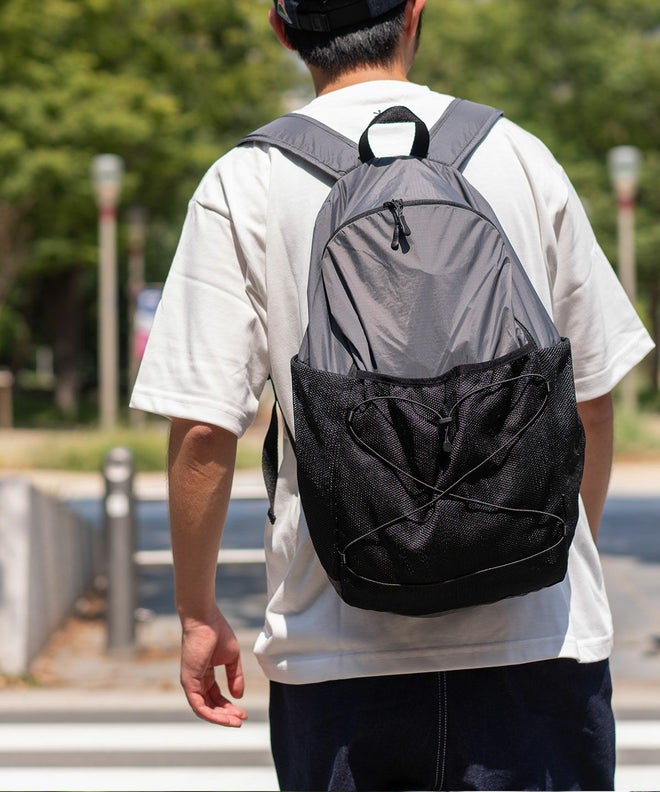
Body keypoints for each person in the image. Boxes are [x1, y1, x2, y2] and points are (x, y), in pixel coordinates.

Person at [130, 1, 654, 788]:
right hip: (537, 651)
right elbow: (593, 398)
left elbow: (205, 429)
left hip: (337, 652)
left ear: (282, 30)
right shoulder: (516, 153)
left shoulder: (246, 179)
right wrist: (546, 549)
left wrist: (196, 612)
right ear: (414, 11)